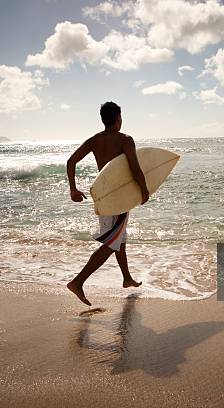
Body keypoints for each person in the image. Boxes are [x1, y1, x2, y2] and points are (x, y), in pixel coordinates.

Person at [66, 101, 149, 306]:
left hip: (103, 196)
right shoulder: (125, 140)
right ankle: (78, 282)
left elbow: (71, 161)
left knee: (118, 237)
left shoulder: (94, 140)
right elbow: (135, 168)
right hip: (119, 198)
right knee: (112, 242)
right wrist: (144, 190)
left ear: (103, 119)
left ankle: (127, 278)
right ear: (118, 118)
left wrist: (73, 189)